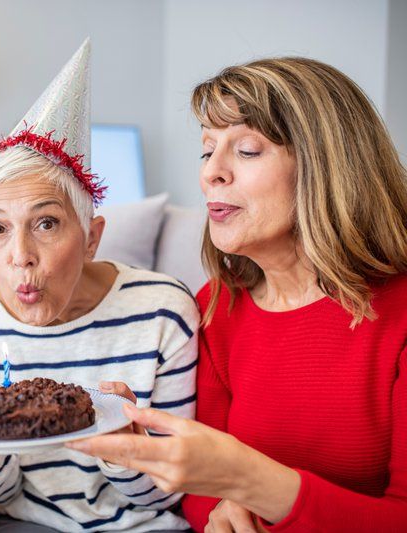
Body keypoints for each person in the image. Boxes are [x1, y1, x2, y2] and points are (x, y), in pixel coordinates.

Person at [67, 57, 407, 533]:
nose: (212, 173)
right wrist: (221, 511)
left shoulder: (399, 315)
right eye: (207, 151)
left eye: (247, 150)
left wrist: (249, 481)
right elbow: (200, 490)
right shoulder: (215, 307)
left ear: (329, 165)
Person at [0, 39, 199, 532]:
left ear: (92, 237)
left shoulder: (163, 312)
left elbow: (167, 492)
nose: (20, 255)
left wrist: (124, 445)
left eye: (47, 223)